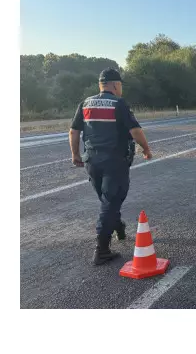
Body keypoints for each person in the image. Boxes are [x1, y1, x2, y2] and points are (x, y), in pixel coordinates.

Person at [69, 68, 152, 265]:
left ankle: (118, 226)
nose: (121, 89)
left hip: (92, 161)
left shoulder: (85, 103)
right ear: (115, 85)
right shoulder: (119, 103)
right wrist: (146, 149)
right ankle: (102, 250)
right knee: (110, 201)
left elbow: (73, 131)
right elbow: (135, 130)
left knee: (107, 200)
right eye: (120, 85)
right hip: (114, 160)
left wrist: (74, 154)